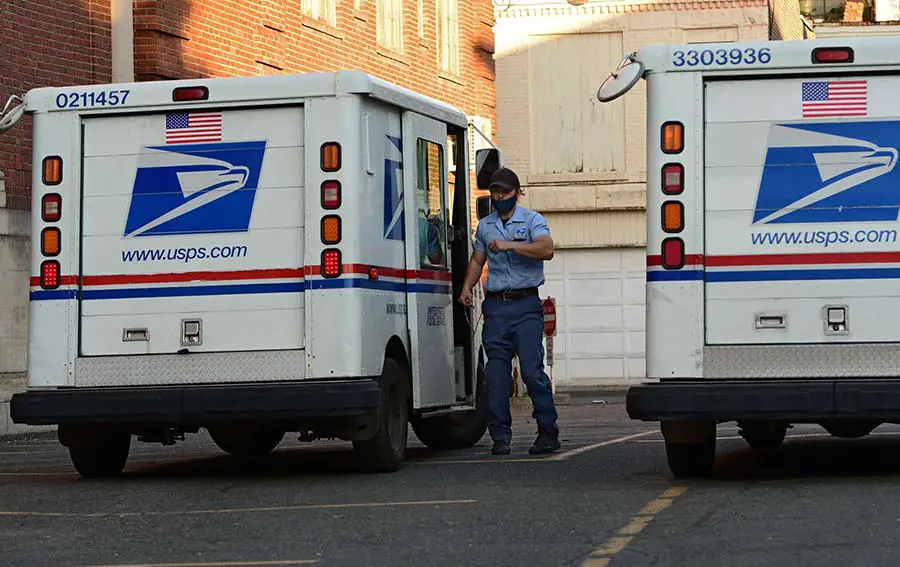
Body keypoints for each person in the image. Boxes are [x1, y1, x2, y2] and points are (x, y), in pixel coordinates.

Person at [457, 167, 561, 455]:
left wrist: (510, 245)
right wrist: (467, 287)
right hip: (496, 307)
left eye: (505, 191)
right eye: (495, 192)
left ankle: (548, 432)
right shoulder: (486, 225)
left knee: (531, 371)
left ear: (517, 192)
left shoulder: (532, 220)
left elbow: (546, 249)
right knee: (496, 375)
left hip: (526, 305)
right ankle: (500, 437)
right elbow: (478, 259)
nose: (499, 196)